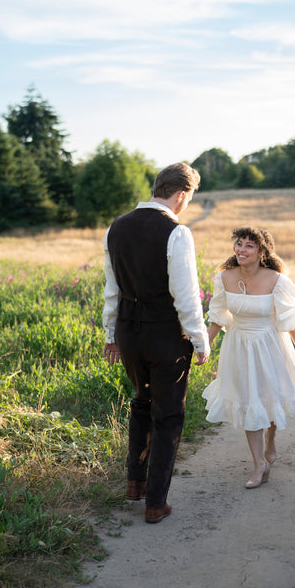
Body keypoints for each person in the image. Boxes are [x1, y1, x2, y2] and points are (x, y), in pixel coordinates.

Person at [102, 162, 210, 523]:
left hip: (128, 333)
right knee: (169, 415)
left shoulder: (116, 228)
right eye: (189, 198)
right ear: (181, 194)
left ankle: (135, 483)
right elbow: (186, 296)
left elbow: (112, 290)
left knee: (142, 402)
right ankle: (156, 503)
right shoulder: (176, 232)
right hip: (165, 334)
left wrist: (110, 336)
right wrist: (200, 340)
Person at [202, 227, 295, 489]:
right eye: (239, 244)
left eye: (249, 246)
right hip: (238, 346)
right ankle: (259, 465)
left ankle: (271, 438)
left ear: (261, 253)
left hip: (270, 344)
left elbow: (289, 319)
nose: (241, 249)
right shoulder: (224, 277)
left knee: (271, 396)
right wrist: (205, 345)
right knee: (250, 401)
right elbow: (218, 317)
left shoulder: (276, 280)